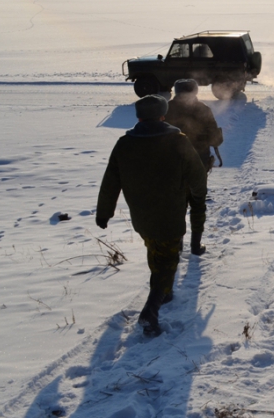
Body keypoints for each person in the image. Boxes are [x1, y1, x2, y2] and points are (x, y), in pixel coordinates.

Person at [95, 94, 207, 337]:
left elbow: (110, 181)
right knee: (167, 262)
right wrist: (199, 196)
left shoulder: (124, 143)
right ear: (162, 115)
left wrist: (104, 213)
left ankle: (164, 292)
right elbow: (197, 174)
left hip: (141, 214)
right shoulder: (177, 140)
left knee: (155, 249)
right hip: (170, 212)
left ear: (138, 116)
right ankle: (150, 311)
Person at [164, 79, 223, 172]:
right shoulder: (204, 109)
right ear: (195, 91)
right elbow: (216, 140)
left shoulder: (165, 109)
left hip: (171, 161)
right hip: (199, 161)